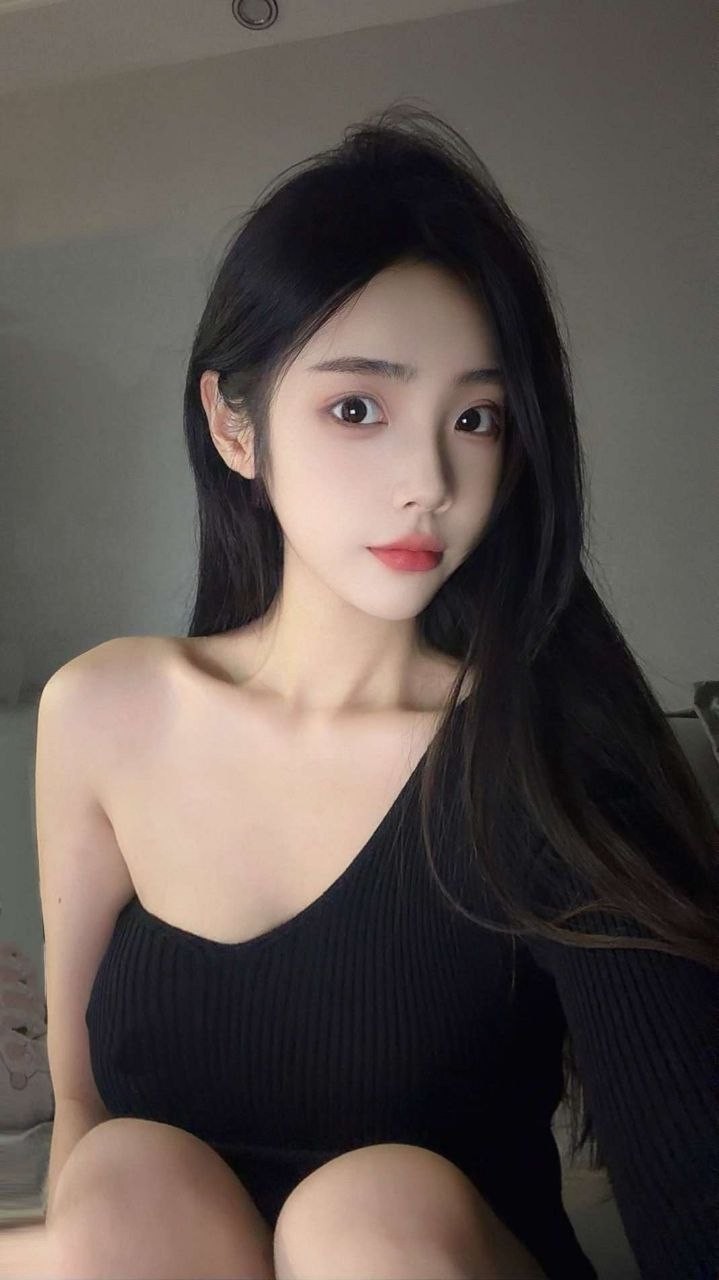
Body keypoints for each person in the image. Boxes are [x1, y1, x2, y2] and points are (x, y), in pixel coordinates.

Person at [19, 101, 719, 1280]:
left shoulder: (549, 750)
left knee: (366, 1217)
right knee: (121, 1178)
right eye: (358, 408)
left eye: (475, 418)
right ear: (234, 426)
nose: (429, 479)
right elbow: (79, 1109)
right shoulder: (101, 711)